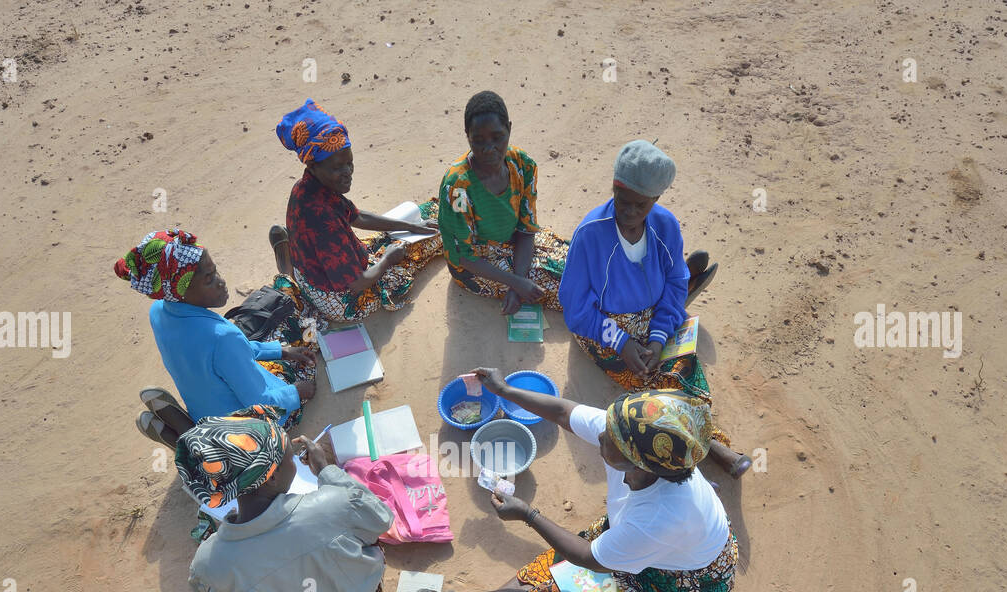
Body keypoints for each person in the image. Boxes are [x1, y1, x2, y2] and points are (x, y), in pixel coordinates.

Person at [407, 371, 738, 592]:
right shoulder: (635, 442)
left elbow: (589, 559)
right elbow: (563, 412)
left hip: (677, 581)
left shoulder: (659, 516)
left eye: (610, 439)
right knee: (551, 570)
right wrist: (504, 390)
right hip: (647, 542)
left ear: (636, 462)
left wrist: (528, 514)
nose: (601, 435)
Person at [116, 406, 394, 592]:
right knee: (360, 531)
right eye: (290, 457)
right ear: (270, 476)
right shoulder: (337, 503)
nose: (295, 462)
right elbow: (381, 518)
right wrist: (325, 470)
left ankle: (181, 441)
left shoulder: (207, 564)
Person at [115, 227, 317, 447]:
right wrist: (299, 392)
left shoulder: (158, 312)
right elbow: (260, 402)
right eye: (209, 279)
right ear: (180, 290)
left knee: (270, 348)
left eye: (215, 272)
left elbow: (231, 351)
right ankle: (201, 445)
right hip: (247, 429)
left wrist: (281, 351)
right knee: (302, 369)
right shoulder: (222, 337)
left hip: (207, 413)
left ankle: (189, 435)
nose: (221, 281)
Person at [561, 139, 720, 392]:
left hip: (653, 315)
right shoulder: (589, 235)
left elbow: (674, 281)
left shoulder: (666, 225)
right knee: (653, 384)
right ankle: (677, 301)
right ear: (614, 188)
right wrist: (621, 342)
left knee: (684, 377)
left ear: (655, 198)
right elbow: (576, 309)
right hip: (605, 326)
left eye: (641, 205)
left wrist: (658, 338)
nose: (630, 212)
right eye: (623, 201)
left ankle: (673, 303)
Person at [273, 98, 442, 324]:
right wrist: (388, 260)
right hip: (341, 301)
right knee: (409, 259)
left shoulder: (307, 188)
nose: (347, 172)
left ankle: (288, 266)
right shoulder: (323, 220)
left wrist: (412, 226)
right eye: (337, 167)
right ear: (313, 165)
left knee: (402, 231)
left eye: (349, 163)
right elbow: (356, 285)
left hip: (310, 277)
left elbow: (358, 216)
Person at [437, 90, 569, 314]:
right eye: (478, 141)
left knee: (575, 259)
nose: (489, 149)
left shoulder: (523, 165)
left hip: (513, 243)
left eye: (497, 138)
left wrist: (517, 284)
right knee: (568, 288)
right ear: (467, 135)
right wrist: (518, 283)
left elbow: (526, 230)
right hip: (475, 265)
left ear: (509, 128)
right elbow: (463, 256)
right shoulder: (459, 187)